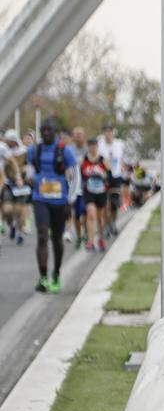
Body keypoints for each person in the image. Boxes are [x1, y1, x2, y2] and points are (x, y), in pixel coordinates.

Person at [26, 123, 78, 294]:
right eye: (44, 131)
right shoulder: (35, 150)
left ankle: (55, 274)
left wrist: (71, 199)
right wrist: (29, 178)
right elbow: (31, 169)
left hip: (59, 201)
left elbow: (75, 174)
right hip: (40, 198)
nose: (46, 133)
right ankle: (43, 277)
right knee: (42, 236)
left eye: (49, 130)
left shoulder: (65, 150)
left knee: (56, 240)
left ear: (55, 133)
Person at [79, 140, 111, 252]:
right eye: (90, 146)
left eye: (94, 146)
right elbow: (79, 173)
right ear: (88, 147)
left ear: (97, 147)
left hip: (101, 191)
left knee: (100, 217)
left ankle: (100, 239)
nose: (92, 148)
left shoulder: (103, 160)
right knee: (91, 214)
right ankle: (91, 241)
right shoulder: (84, 159)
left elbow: (109, 174)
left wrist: (104, 178)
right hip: (89, 191)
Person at [96, 123, 125, 235]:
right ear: (103, 133)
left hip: (116, 176)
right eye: (105, 131)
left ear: (112, 132)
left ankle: (113, 222)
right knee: (105, 203)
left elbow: (121, 159)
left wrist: (122, 167)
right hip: (104, 176)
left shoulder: (119, 144)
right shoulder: (100, 144)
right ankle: (108, 225)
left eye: (110, 131)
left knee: (114, 203)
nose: (108, 134)